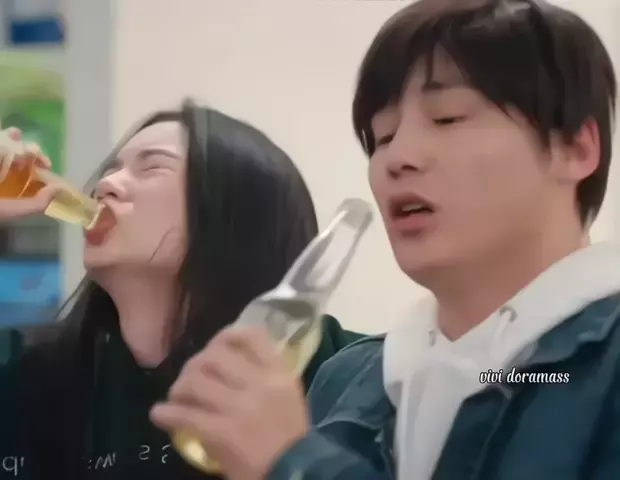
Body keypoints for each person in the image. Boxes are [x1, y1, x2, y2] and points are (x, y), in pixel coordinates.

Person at [151, 1, 620, 479]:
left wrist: (293, 463)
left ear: (575, 148)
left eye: (448, 118)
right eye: (383, 136)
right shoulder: (349, 378)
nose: (398, 158)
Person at [0, 102, 362, 479]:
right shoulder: (28, 376)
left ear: (236, 211)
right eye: (110, 170)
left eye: (152, 167)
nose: (105, 185)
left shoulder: (352, 376)